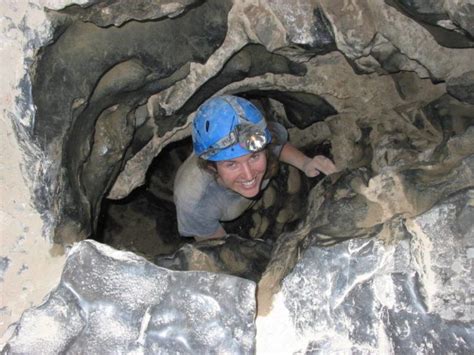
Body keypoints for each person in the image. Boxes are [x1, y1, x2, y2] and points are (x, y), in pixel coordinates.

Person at [174, 95, 337, 241]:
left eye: (254, 156)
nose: (249, 174)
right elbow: (218, 247)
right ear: (211, 166)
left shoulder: (262, 138)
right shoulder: (194, 201)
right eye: (231, 164)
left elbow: (277, 147)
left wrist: (305, 163)